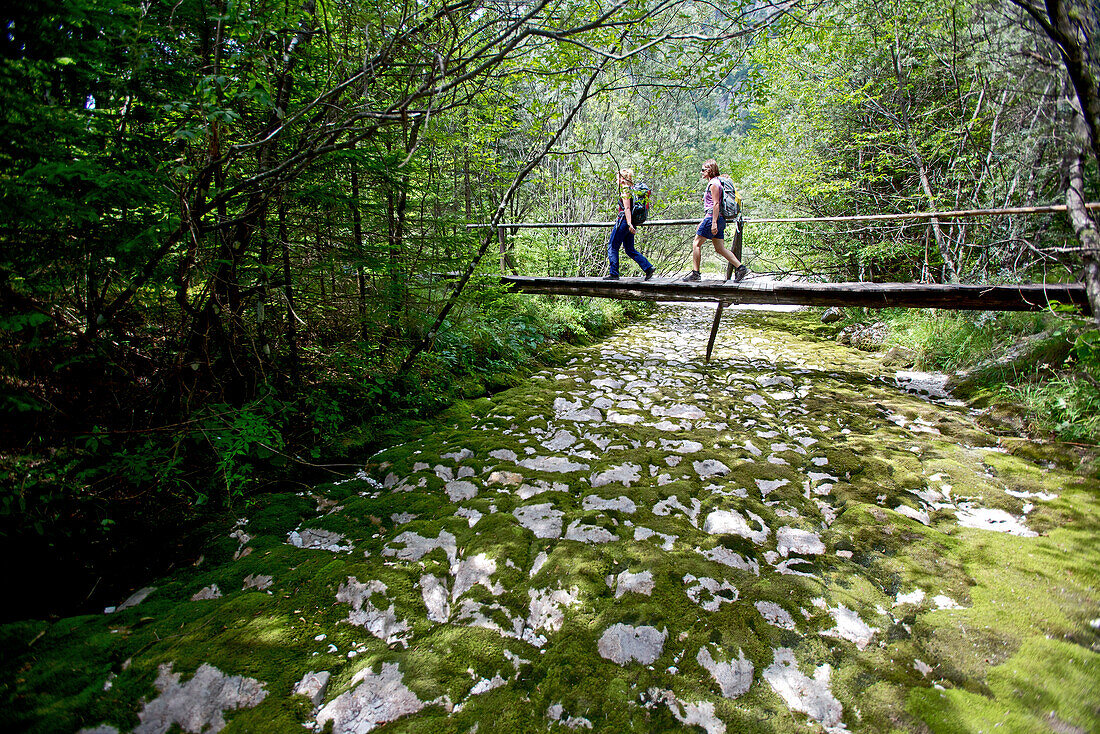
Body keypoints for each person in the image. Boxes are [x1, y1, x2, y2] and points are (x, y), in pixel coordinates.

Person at [682, 159, 749, 282]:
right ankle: (740, 268)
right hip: (718, 219)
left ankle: (695, 273)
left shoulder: (713, 184)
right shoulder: (716, 182)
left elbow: (716, 204)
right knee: (719, 248)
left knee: (696, 244)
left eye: (703, 170)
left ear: (709, 170)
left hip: (713, 218)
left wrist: (712, 223)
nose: (701, 172)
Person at [604, 168, 655, 281]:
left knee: (612, 246)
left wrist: (629, 224)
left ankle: (614, 273)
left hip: (624, 221)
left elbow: (627, 208)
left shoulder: (625, 189)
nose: (616, 181)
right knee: (629, 249)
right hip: (629, 222)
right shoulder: (633, 189)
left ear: (622, 179)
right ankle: (648, 268)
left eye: (617, 178)